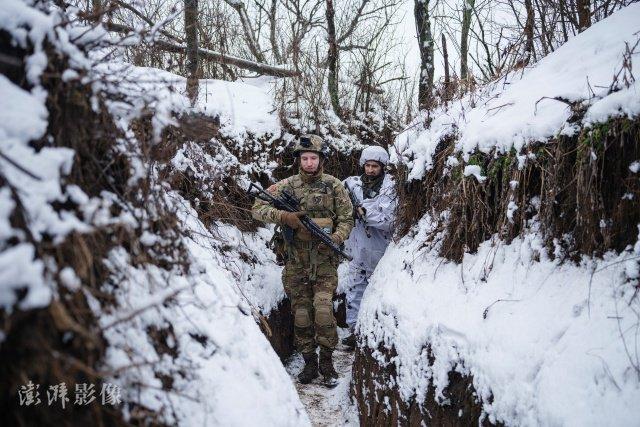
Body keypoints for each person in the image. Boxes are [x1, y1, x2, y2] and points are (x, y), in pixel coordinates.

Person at [251, 134, 353, 387]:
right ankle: (309, 362)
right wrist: (284, 217)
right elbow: (257, 208)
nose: (309, 162)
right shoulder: (286, 185)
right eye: (305, 158)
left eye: (313, 158)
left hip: (325, 261)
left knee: (322, 310)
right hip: (296, 261)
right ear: (299, 160)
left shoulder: (334, 186)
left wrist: (337, 238)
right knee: (301, 314)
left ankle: (327, 363)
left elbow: (347, 217)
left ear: (321, 160)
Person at [342, 145, 396, 349]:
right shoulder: (351, 185)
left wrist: (365, 213)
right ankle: (354, 331)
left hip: (380, 250)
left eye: (375, 166)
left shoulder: (390, 188)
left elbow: (389, 220)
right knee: (354, 290)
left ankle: (372, 332)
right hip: (356, 248)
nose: (371, 169)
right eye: (368, 165)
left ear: (383, 167)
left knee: (376, 292)